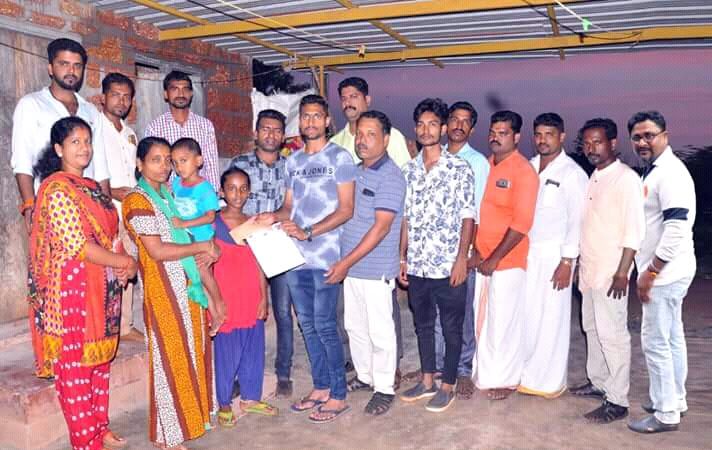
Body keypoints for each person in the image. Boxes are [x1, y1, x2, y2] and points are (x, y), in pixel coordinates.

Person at [29, 117, 137, 450]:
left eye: (87, 141)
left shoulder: (90, 187)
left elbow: (111, 237)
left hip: (102, 285)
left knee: (99, 362)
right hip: (72, 289)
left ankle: (99, 427)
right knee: (75, 367)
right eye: (75, 142)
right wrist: (122, 262)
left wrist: (123, 264)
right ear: (59, 149)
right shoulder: (57, 189)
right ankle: (85, 440)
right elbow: (77, 245)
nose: (84, 148)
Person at [258, 94, 356, 423]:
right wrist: (273, 216)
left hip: (327, 255)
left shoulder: (340, 157)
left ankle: (338, 395)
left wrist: (308, 231)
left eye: (316, 116)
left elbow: (346, 209)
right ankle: (321, 387)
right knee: (308, 325)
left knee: (326, 325)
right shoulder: (293, 162)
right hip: (295, 258)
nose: (310, 122)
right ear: (299, 121)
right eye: (305, 116)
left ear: (327, 121)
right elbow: (289, 207)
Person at [122, 137, 217, 449]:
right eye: (155, 160)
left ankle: (188, 422)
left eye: (167, 159)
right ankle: (166, 436)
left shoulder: (167, 193)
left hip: (186, 285)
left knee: (190, 355)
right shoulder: (137, 201)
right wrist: (201, 247)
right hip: (163, 290)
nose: (164, 166)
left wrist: (206, 250)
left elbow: (187, 230)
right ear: (140, 164)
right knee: (168, 361)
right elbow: (157, 250)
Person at [326, 110, 406, 415]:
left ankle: (384, 388)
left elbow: (381, 228)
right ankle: (365, 375)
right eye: (359, 134)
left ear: (385, 139)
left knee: (380, 331)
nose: (363, 140)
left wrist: (345, 262)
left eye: (371, 134)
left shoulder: (391, 176)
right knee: (355, 326)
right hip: (352, 268)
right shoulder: (354, 172)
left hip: (375, 268)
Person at [399, 98, 475, 413]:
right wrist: (402, 258)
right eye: (421, 124)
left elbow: (468, 217)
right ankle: (427, 380)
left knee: (452, 326)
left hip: (448, 264)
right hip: (418, 263)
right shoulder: (409, 170)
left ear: (443, 129)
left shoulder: (459, 168)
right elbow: (406, 218)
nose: (426, 130)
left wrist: (461, 259)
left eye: (432, 124)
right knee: (424, 325)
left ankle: (448, 385)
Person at [571, 118, 645, 424]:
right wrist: (579, 264)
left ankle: (617, 400)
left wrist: (622, 272)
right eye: (587, 143)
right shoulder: (595, 177)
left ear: (613, 143)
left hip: (611, 272)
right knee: (592, 328)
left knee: (613, 335)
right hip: (590, 270)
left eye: (597, 142)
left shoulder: (625, 179)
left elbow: (634, 232)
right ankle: (598, 381)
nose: (591, 148)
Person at [626, 111, 696, 434]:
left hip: (665, 273)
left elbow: (677, 228)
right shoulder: (654, 171)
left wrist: (651, 272)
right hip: (671, 270)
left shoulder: (670, 173)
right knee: (671, 337)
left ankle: (666, 414)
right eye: (637, 137)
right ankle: (673, 400)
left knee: (655, 342)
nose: (642, 142)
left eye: (649, 135)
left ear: (665, 136)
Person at [518, 113, 588, 398]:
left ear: (561, 137)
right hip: (527, 254)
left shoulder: (572, 173)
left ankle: (549, 383)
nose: (543, 140)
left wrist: (567, 262)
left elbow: (577, 221)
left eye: (549, 134)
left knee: (552, 320)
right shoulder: (529, 166)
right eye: (538, 134)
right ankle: (526, 375)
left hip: (555, 258)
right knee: (528, 317)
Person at [472, 110, 539, 401]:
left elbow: (522, 224)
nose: (495, 137)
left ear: (516, 137)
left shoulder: (523, 171)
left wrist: (495, 258)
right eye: (493, 132)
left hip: (507, 262)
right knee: (484, 321)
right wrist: (477, 252)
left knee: (504, 324)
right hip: (481, 260)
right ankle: (485, 375)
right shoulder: (485, 166)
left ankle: (508, 380)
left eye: (503, 133)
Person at [229, 109, 295, 398]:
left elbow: (292, 207)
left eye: (277, 130)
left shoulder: (291, 167)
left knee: (282, 312)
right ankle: (237, 374)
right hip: (245, 248)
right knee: (243, 312)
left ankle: (284, 373)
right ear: (255, 133)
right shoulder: (240, 164)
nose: (271, 134)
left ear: (283, 136)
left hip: (278, 247)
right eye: (266, 129)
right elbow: (230, 206)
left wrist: (276, 217)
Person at [12, 38, 109, 232]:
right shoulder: (31, 105)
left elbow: (101, 167)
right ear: (50, 68)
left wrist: (106, 210)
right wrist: (30, 204)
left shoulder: (91, 112)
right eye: (64, 64)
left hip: (89, 206)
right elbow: (22, 160)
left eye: (77, 66)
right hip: (51, 206)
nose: (71, 71)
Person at [213, 168, 278, 427]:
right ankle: (224, 403)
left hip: (251, 293)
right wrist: (213, 302)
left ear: (249, 192)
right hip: (226, 296)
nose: (237, 194)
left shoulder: (254, 223)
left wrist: (264, 297)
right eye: (231, 188)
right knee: (226, 351)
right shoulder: (212, 223)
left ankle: (250, 397)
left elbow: (261, 262)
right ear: (221, 192)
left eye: (243, 189)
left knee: (253, 347)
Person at [434, 101, 490, 400]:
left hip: (461, 250)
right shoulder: (434, 156)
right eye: (454, 119)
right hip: (434, 250)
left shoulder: (477, 162)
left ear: (472, 128)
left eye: (465, 121)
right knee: (437, 313)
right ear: (446, 124)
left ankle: (464, 369)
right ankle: (440, 367)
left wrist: (468, 255)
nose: (459, 125)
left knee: (462, 313)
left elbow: (476, 212)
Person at [97, 72, 143, 341]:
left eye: (126, 97)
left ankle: (125, 325)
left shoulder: (130, 133)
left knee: (128, 261)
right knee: (106, 267)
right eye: (115, 95)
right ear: (103, 97)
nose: (121, 101)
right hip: (105, 207)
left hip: (129, 209)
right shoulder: (94, 128)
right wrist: (111, 191)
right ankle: (104, 325)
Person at [170, 137, 226, 335]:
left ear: (199, 161)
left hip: (202, 238)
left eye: (183, 161)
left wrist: (184, 224)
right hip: (185, 239)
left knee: (203, 273)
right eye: (175, 163)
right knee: (197, 278)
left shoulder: (205, 188)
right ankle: (215, 315)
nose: (179, 167)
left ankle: (220, 303)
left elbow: (210, 216)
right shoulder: (176, 184)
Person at [145, 70, 220, 191]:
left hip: (199, 195)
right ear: (166, 94)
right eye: (175, 89)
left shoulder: (205, 126)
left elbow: (211, 165)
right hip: (168, 196)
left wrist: (213, 194)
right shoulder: (155, 127)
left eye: (185, 89)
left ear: (191, 94)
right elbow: (152, 166)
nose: (181, 94)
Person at [331, 76, 412, 168]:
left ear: (367, 100)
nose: (347, 103)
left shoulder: (390, 136)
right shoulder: (335, 143)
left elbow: (404, 173)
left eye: (353, 97)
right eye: (344, 98)